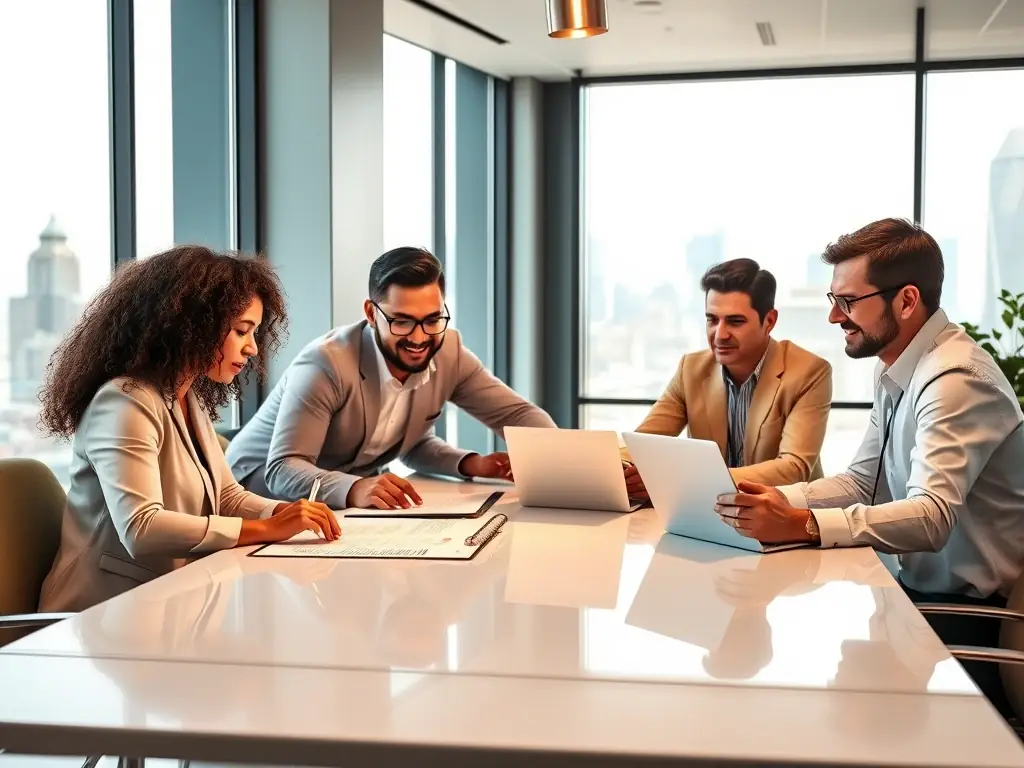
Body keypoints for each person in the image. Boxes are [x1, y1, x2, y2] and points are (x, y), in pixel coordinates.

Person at [718, 218, 1024, 717]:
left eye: (849, 302)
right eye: (833, 300)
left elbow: (930, 517)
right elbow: (863, 481)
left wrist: (804, 523)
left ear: (905, 301)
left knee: (797, 691)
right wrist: (764, 504)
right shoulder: (899, 365)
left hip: (966, 629)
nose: (836, 318)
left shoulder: (954, 381)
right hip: (914, 608)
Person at [36, 246, 341, 614]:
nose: (253, 349)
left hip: (166, 601)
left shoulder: (185, 396)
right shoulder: (124, 402)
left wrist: (285, 513)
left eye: (255, 333)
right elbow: (141, 529)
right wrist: (264, 530)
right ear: (192, 325)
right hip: (98, 615)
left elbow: (227, 497)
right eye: (242, 331)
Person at [227, 246, 556, 510]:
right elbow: (283, 469)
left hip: (340, 505)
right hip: (255, 496)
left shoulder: (448, 353)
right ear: (372, 314)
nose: (419, 338)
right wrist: (356, 488)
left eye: (432, 319)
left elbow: (515, 416)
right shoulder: (326, 364)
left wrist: (475, 464)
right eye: (401, 322)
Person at [623, 258, 832, 499]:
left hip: (782, 516)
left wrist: (680, 480)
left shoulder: (809, 372)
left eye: (735, 321)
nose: (719, 335)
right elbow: (642, 443)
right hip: (706, 512)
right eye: (712, 320)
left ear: (770, 321)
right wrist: (620, 467)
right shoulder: (691, 369)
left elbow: (793, 468)